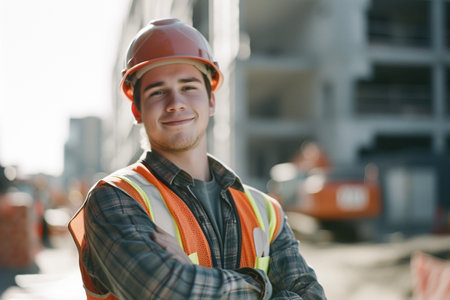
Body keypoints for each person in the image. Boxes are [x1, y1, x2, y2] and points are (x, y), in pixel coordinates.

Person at [69, 18, 326, 300]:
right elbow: (169, 292)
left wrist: (197, 279)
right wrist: (265, 288)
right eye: (157, 92)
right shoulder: (114, 199)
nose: (175, 102)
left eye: (189, 86)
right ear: (137, 110)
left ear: (212, 100)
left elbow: (312, 296)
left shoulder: (266, 212)